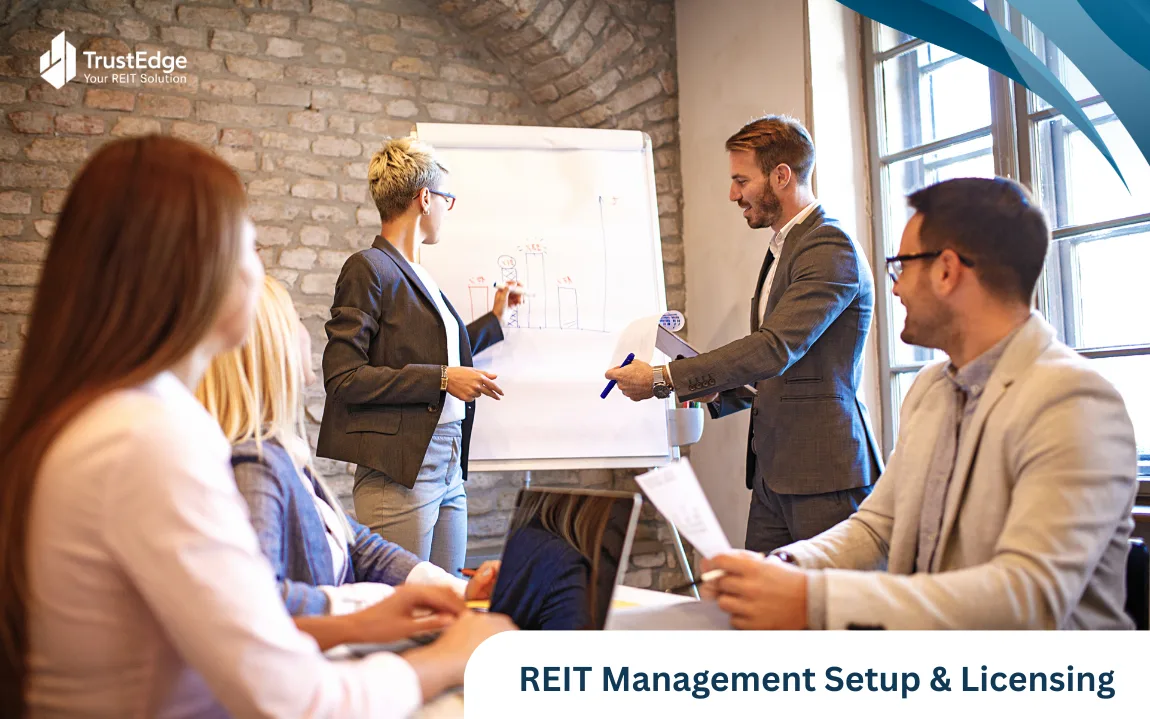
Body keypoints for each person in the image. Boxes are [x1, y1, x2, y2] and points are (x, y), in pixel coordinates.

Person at [0, 135, 512, 717]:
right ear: (193, 268)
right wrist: (452, 656)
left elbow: (264, 617)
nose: (261, 272)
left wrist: (376, 611)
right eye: (250, 246)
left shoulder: (118, 420)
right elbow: (293, 700)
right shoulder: (147, 439)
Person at [704, 177, 1137, 630]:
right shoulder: (931, 388)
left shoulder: (1073, 401)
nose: (895, 289)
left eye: (901, 266)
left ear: (947, 271)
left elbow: (1028, 597)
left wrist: (815, 600)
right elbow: (877, 528)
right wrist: (784, 567)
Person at [605, 115, 882, 554]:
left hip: (823, 474)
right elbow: (789, 366)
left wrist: (663, 378)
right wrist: (722, 389)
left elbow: (776, 347)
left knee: (826, 599)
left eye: (741, 180)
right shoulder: (786, 246)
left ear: (781, 176)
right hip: (774, 472)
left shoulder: (829, 245)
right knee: (755, 597)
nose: (733, 194)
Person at [197, 276, 502, 617]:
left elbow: (359, 547)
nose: (306, 329)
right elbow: (262, 601)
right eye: (295, 318)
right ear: (271, 345)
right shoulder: (253, 466)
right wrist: (376, 604)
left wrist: (456, 589)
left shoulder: (284, 454)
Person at [318, 137, 522, 574]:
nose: (449, 208)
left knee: (446, 598)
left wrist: (495, 320)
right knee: (403, 601)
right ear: (425, 198)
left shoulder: (419, 275)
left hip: (448, 462)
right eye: (448, 199)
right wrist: (443, 378)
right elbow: (343, 377)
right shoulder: (368, 267)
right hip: (402, 470)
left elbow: (435, 351)